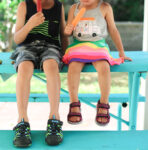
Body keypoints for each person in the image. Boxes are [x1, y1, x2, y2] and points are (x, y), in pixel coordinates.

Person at [63, 0, 132, 126]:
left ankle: (104, 102)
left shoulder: (105, 8)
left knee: (104, 67)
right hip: (78, 45)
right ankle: (74, 103)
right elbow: (68, 32)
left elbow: (113, 30)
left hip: (98, 46)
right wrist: (68, 30)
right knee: (73, 67)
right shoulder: (74, 8)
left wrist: (121, 52)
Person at [11, 0, 68, 147]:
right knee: (24, 67)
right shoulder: (24, 5)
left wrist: (67, 54)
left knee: (51, 66)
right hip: (27, 47)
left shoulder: (58, 6)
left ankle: (54, 118)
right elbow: (17, 39)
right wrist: (30, 24)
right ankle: (22, 121)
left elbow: (63, 34)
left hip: (51, 47)